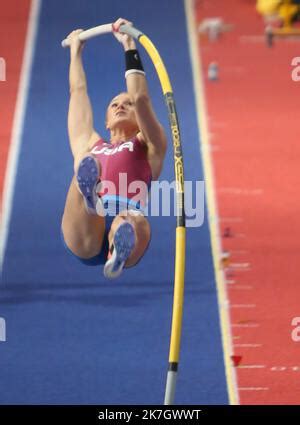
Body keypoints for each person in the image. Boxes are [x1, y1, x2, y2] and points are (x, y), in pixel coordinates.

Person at [61, 18, 167, 279]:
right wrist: (76, 52)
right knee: (83, 170)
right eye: (114, 104)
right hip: (85, 231)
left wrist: (129, 44)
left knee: (133, 219)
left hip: (126, 221)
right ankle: (91, 197)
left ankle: (117, 252)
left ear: (138, 117)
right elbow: (78, 92)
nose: (121, 106)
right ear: (106, 121)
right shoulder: (92, 144)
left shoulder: (150, 144)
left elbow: (141, 97)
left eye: (127, 105)